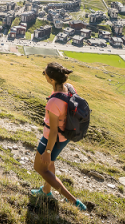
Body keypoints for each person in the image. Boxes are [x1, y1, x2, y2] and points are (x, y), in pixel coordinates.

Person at [31, 62, 88, 211]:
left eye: (45, 74)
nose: (44, 75)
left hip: (52, 139)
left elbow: (53, 132)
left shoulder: (53, 103)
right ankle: (46, 191)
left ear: (51, 80)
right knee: (49, 165)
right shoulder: (69, 88)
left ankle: (73, 201)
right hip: (65, 136)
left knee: (40, 168)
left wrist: (48, 151)